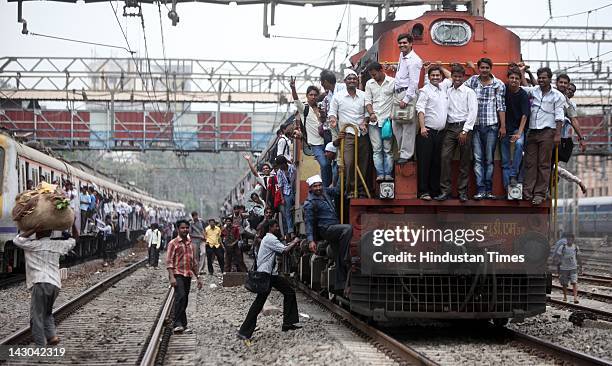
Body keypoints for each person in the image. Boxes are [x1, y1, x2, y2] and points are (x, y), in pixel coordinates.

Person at [13, 223, 78, 346]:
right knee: (47, 312)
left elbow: (16, 239)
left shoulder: (32, 245)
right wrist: (73, 223)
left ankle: (40, 345)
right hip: (55, 284)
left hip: (40, 282)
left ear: (38, 233)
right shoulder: (58, 244)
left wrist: (32, 228)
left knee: (36, 317)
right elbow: (75, 239)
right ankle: (52, 336)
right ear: (50, 233)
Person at [237, 219, 301, 341]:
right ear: (271, 227)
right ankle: (244, 331)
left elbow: (282, 247)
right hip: (267, 275)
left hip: (271, 274)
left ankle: (288, 323)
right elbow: (284, 250)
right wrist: (296, 241)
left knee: (289, 292)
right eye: (276, 226)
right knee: (258, 303)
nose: (278, 228)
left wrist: (291, 243)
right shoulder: (270, 239)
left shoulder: (268, 239)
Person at [432, 63, 477, 202]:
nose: (457, 79)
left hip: (465, 128)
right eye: (455, 76)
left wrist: (465, 131)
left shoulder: (470, 92)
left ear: (463, 77)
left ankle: (462, 192)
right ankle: (445, 191)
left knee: (464, 161)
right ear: (451, 77)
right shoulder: (447, 92)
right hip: (450, 128)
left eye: (459, 76)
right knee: (445, 158)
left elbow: (473, 112)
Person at [521, 67, 565, 205]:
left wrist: (557, 135)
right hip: (533, 132)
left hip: (548, 132)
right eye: (539, 77)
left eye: (544, 77)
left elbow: (559, 117)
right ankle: (527, 192)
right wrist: (522, 72)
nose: (541, 80)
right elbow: (522, 88)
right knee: (530, 163)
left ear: (549, 79)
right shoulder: (534, 91)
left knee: (544, 164)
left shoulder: (558, 96)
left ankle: (539, 194)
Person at [303, 175, 353, 294]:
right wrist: (310, 240)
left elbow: (337, 190)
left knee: (338, 257)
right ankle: (346, 256)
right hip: (326, 230)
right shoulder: (309, 203)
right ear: (310, 188)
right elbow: (308, 223)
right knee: (348, 229)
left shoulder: (325, 192)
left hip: (334, 227)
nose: (318, 188)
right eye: (315, 186)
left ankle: (340, 285)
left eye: (319, 185)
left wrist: (341, 172)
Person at [465, 58, 506, 200]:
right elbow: (457, 85)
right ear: (479, 68)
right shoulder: (472, 81)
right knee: (477, 159)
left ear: (491, 68)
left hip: (492, 126)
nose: (484, 70)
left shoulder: (498, 84)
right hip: (475, 126)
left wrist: (503, 126)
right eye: (482, 67)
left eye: (487, 68)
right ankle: (480, 189)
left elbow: (501, 107)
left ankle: (488, 190)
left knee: (488, 160)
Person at [329, 69, 370, 198]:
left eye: (354, 79)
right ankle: (351, 189)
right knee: (349, 162)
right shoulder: (338, 96)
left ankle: (360, 189)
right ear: (345, 81)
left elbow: (368, 112)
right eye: (349, 79)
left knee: (363, 162)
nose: (352, 81)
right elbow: (332, 112)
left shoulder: (363, 95)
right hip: (347, 134)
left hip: (362, 134)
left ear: (357, 81)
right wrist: (333, 119)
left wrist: (366, 121)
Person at [386, 32, 422, 164]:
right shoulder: (403, 56)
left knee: (408, 126)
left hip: (407, 94)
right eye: (400, 43)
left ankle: (406, 155)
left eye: (405, 43)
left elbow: (414, 82)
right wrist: (394, 67)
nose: (402, 45)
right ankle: (403, 151)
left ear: (411, 44)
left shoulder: (415, 60)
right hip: (398, 93)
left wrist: (406, 99)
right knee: (396, 124)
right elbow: (404, 72)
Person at [290, 78, 332, 187]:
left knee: (332, 165)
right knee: (324, 164)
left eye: (315, 95)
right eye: (311, 95)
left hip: (328, 141)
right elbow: (296, 100)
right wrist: (293, 88)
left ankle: (329, 187)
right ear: (307, 96)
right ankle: (326, 188)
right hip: (315, 144)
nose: (313, 97)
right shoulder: (305, 109)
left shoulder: (323, 107)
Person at [415, 65, 448, 201]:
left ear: (441, 77)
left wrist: (439, 66)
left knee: (437, 162)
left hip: (441, 133)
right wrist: (422, 127)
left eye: (438, 75)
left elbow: (451, 76)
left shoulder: (443, 88)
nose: (435, 77)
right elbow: (420, 109)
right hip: (427, 132)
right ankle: (424, 191)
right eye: (433, 75)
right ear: (428, 77)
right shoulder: (425, 91)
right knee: (425, 163)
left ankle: (435, 191)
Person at [166, 219, 203, 333]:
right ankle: (177, 323)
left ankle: (183, 324)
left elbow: (193, 263)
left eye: (187, 228)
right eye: (182, 228)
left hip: (187, 274)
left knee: (185, 299)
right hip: (178, 274)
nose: (185, 230)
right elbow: (169, 262)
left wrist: (198, 277)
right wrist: (171, 277)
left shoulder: (190, 244)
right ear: (178, 229)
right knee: (180, 297)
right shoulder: (173, 243)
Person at [501, 67, 529, 194]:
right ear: (508, 79)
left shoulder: (523, 94)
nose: (514, 80)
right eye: (512, 78)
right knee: (505, 160)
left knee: (519, 144)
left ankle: (513, 175)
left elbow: (525, 115)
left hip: (517, 128)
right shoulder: (504, 90)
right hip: (504, 128)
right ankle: (508, 187)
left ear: (520, 80)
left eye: (517, 78)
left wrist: (519, 133)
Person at [365, 62, 395, 182]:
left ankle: (388, 174)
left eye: (375, 74)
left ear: (381, 70)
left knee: (388, 149)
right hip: (374, 122)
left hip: (388, 121)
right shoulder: (369, 84)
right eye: (372, 75)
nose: (373, 77)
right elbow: (367, 101)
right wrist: (371, 113)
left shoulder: (393, 82)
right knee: (377, 149)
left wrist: (393, 116)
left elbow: (396, 99)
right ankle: (380, 174)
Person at [552, 233, 582, 303]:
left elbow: (578, 257)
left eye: (571, 239)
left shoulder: (575, 247)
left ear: (573, 240)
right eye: (568, 239)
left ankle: (575, 298)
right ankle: (565, 296)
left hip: (573, 268)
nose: (570, 240)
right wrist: (558, 265)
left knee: (574, 282)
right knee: (564, 284)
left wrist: (580, 266)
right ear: (567, 239)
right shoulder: (562, 247)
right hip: (564, 268)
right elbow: (558, 256)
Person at [275, 155, 296, 239]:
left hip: (295, 190)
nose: (280, 167)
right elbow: (280, 185)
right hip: (287, 192)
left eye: (281, 165)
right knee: (288, 212)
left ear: (284, 163)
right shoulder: (279, 172)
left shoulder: (293, 168)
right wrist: (282, 198)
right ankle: (291, 231)